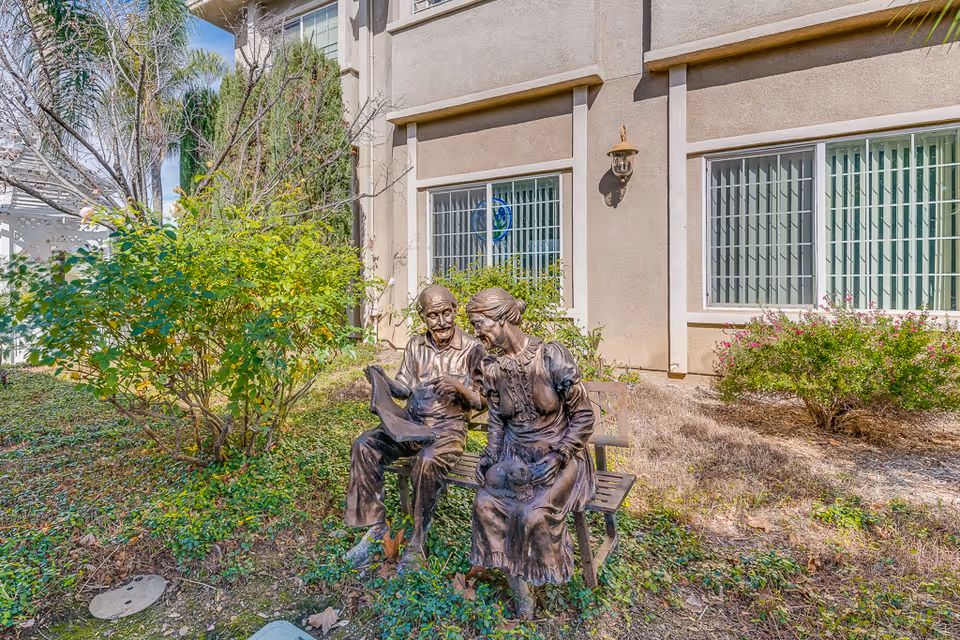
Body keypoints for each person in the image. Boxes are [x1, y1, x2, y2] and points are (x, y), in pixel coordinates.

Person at [466, 287, 596, 619]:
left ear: (502, 318)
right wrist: (491, 453)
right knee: (484, 504)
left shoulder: (550, 355)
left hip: (561, 455)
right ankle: (520, 590)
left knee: (533, 513)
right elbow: (496, 417)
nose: (476, 333)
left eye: (480, 323)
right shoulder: (493, 366)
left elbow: (583, 416)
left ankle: (547, 580)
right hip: (515, 456)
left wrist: (560, 455)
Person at [344, 285, 486, 572]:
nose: (442, 321)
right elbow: (404, 387)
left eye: (447, 313)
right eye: (433, 315)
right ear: (423, 317)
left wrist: (459, 387)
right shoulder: (414, 346)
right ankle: (376, 529)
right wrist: (382, 379)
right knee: (364, 444)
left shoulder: (473, 349)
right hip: (410, 425)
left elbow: (483, 400)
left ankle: (417, 542)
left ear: (455, 310)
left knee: (427, 460)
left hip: (447, 430)